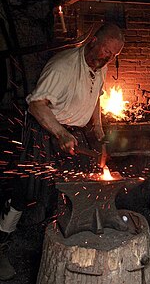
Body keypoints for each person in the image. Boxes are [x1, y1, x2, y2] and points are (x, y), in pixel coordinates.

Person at [0, 22, 124, 280]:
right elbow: (36, 104)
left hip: (72, 132)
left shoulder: (100, 66)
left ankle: (59, 235)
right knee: (27, 189)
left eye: (113, 55)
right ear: (93, 41)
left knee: (72, 186)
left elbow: (97, 98)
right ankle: (2, 242)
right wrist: (60, 133)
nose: (108, 58)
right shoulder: (63, 66)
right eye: (106, 52)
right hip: (44, 130)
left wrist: (98, 130)